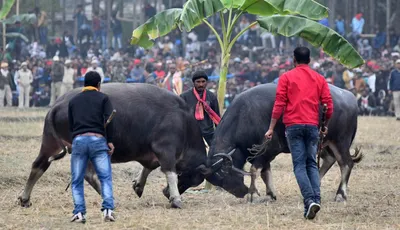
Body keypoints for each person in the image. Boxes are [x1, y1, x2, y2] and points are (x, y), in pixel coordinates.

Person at [264, 47, 333, 220]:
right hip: (312, 126)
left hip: (293, 127)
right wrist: (325, 124)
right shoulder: (319, 78)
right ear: (309, 60)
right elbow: (328, 105)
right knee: (311, 164)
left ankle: (310, 200)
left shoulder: (286, 77)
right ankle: (316, 199)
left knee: (299, 165)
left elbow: (279, 104)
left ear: (294, 59)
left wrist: (271, 127)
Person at [68, 71, 116, 223]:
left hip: (79, 141)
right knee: (105, 178)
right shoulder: (103, 98)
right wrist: (110, 141)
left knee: (76, 180)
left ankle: (79, 213)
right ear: (99, 85)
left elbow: (71, 124)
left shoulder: (73, 101)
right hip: (98, 140)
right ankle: (108, 210)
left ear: (84, 84)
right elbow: (110, 119)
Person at [180, 71, 220, 146]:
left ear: (206, 82)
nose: (201, 84)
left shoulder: (212, 96)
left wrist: (219, 135)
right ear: (193, 83)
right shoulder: (184, 97)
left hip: (209, 132)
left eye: (203, 82)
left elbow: (217, 117)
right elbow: (180, 117)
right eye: (198, 82)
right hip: (191, 133)